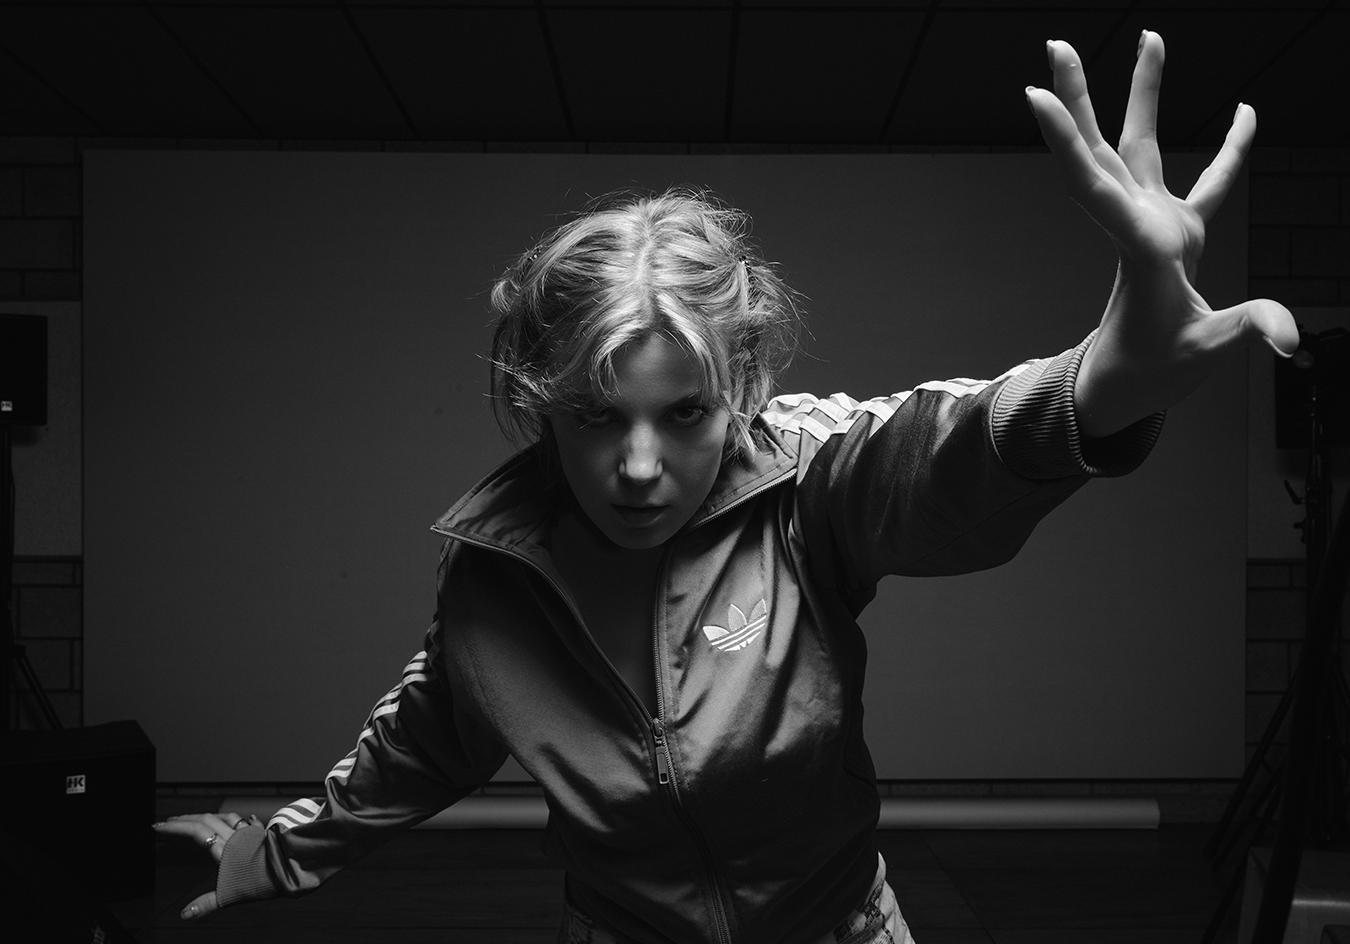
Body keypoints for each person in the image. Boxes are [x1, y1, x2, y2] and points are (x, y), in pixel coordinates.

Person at [154, 32, 1296, 944]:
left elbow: (946, 444)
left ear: (740, 387)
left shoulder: (805, 477)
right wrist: (281, 850)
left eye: (685, 413)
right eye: (597, 417)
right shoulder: (498, 573)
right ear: (542, 401)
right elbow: (427, 735)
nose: (639, 465)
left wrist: (1112, 377)